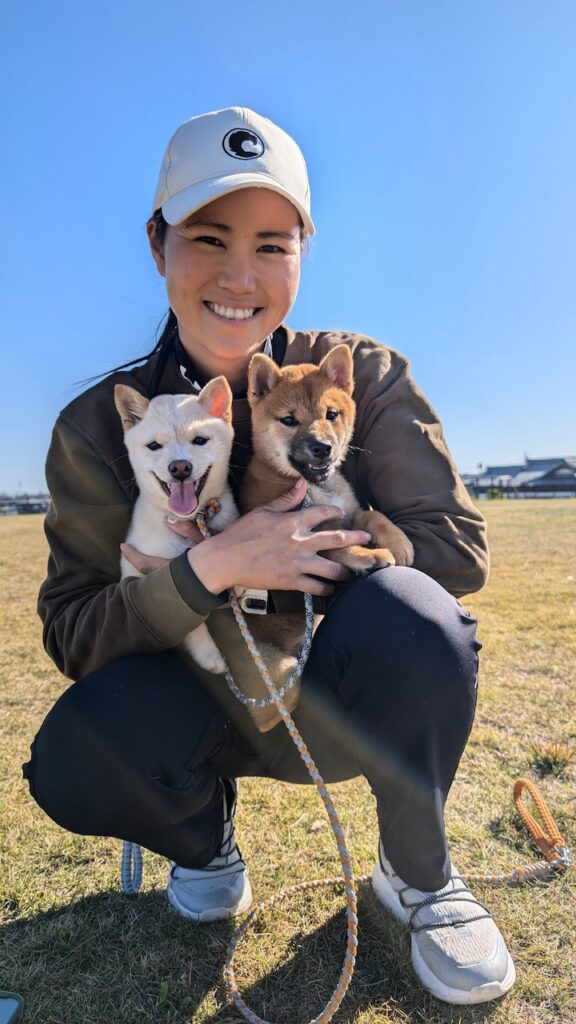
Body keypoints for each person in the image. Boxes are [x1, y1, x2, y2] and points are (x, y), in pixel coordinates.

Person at [23, 107, 515, 1006]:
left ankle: (418, 871)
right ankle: (202, 842)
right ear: (158, 243)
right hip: (196, 709)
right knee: (74, 753)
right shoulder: (104, 423)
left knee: (420, 617)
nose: (239, 277)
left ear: (303, 254)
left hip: (337, 697)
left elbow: (458, 553)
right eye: (208, 237)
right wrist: (209, 570)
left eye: (274, 245)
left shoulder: (360, 374)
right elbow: (74, 633)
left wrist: (333, 540)